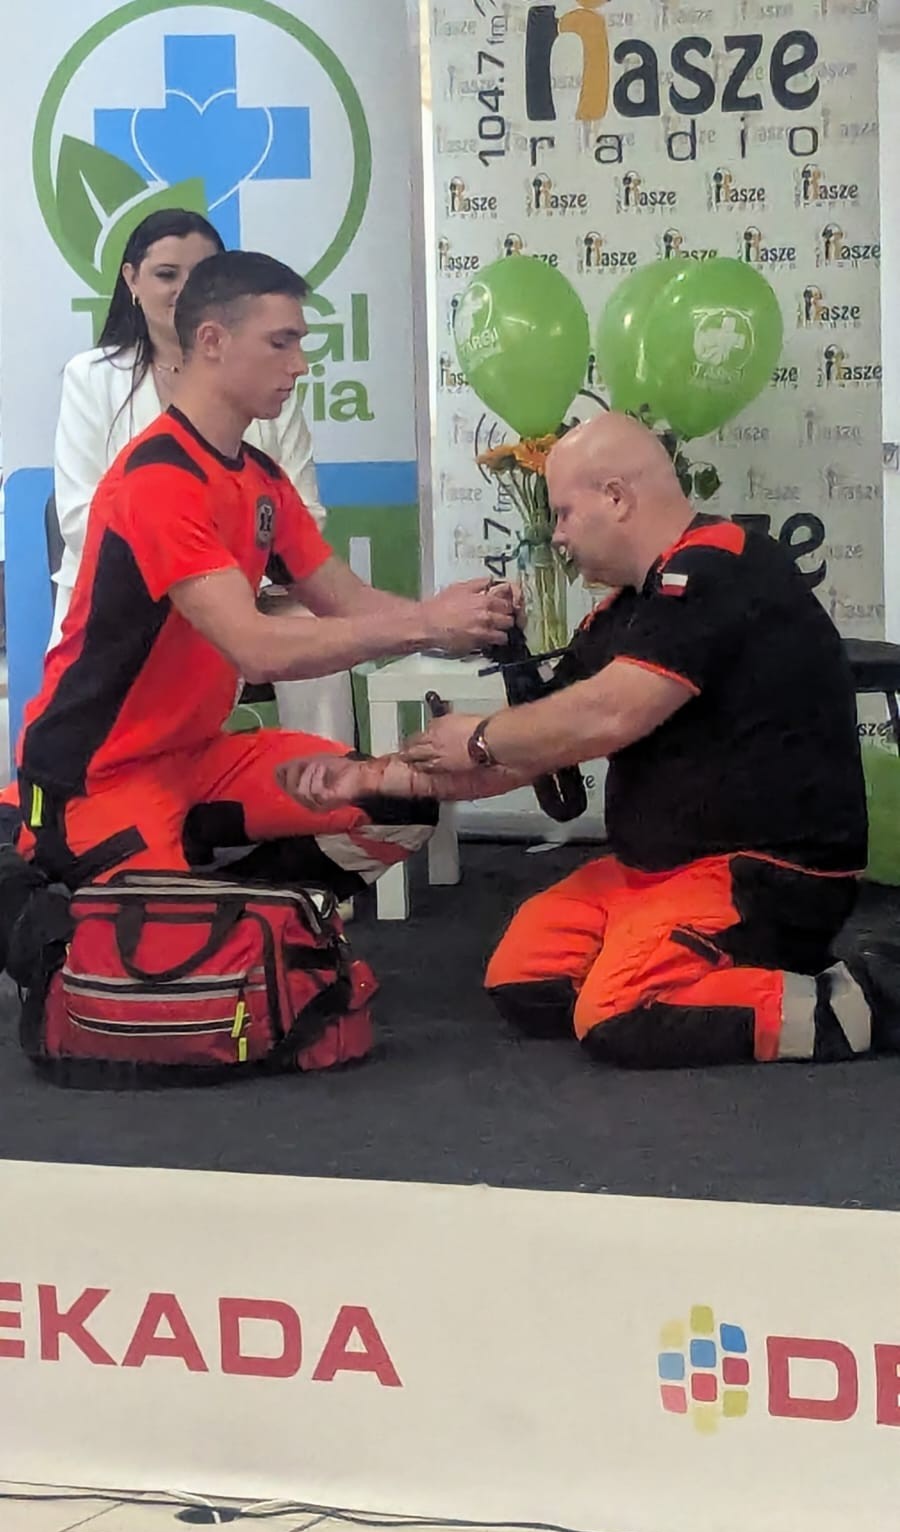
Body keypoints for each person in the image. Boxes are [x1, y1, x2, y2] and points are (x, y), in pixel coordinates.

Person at [279, 413, 874, 1069]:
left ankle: (864, 1001)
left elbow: (610, 712)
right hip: (656, 870)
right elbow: (532, 750)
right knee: (523, 980)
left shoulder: (720, 567)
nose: (557, 534)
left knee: (616, 1015)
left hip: (763, 875)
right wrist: (366, 777)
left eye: (563, 512)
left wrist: (480, 736)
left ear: (616, 497)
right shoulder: (622, 609)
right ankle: (683, 966)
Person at [15, 250, 515, 900]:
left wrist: (464, 623)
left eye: (299, 343)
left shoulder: (261, 479)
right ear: (213, 341)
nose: (299, 365)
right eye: (281, 342)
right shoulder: (158, 481)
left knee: (399, 803)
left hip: (200, 758)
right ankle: (182, 916)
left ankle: (241, 920)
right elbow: (254, 647)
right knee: (169, 947)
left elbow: (349, 602)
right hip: (94, 777)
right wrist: (425, 623)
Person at [52, 207, 352, 743]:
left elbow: (303, 515)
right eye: (167, 274)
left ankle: (333, 783)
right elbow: (80, 518)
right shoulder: (91, 377)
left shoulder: (264, 381)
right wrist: (203, 580)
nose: (185, 289)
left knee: (318, 631)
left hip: (251, 591)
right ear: (131, 281)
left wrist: (232, 588)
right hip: (125, 600)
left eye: (202, 273)